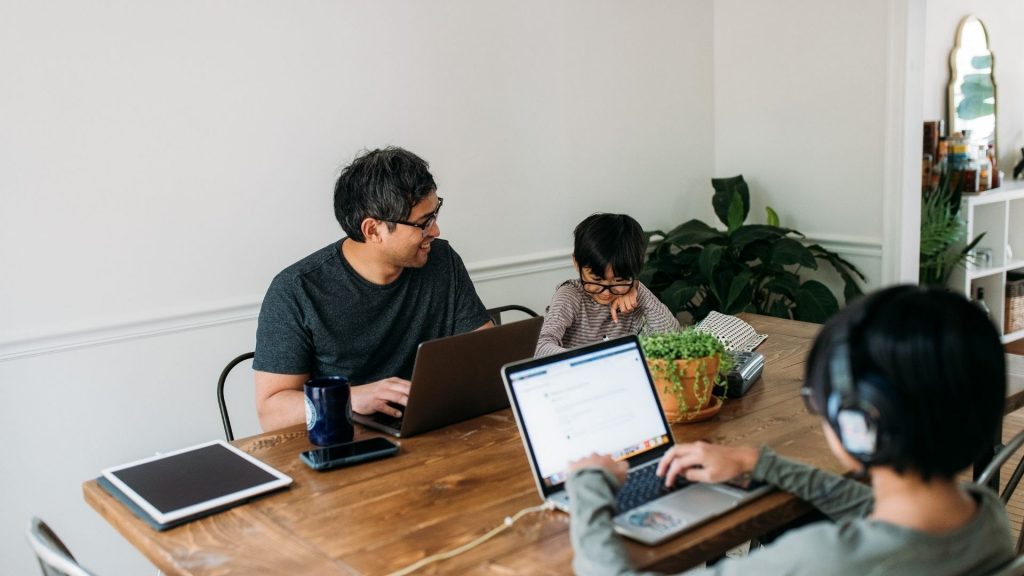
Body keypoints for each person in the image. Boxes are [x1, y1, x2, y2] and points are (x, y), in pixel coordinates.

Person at [566, 285, 1014, 575]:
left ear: (859, 426)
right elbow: (867, 504)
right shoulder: (984, 516)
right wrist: (760, 464)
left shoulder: (823, 561)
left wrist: (589, 484)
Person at [253, 147, 491, 431]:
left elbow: (485, 354)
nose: (436, 231)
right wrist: (351, 397)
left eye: (434, 213)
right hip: (345, 440)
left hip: (432, 429)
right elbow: (271, 411)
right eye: (423, 223)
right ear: (373, 230)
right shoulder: (296, 290)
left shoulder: (442, 261)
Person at [536, 213, 679, 357]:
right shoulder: (571, 295)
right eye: (596, 280)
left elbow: (673, 341)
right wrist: (594, 360)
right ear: (576, 263)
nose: (606, 293)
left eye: (619, 280)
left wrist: (639, 290)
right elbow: (541, 347)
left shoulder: (631, 298)